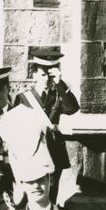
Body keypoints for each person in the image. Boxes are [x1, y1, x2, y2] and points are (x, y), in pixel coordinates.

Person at [8, 47, 80, 201]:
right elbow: (16, 130)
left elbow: (73, 109)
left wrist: (60, 83)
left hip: (54, 153)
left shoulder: (58, 96)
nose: (46, 79)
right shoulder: (24, 98)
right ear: (34, 74)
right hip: (32, 154)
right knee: (33, 196)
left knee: (51, 196)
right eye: (42, 74)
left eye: (50, 75)